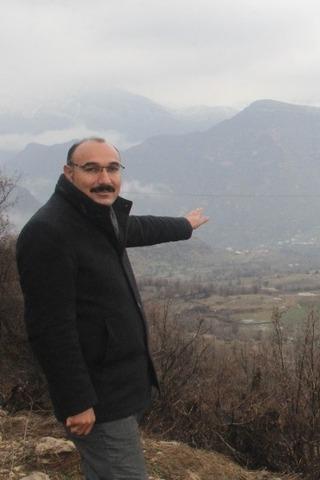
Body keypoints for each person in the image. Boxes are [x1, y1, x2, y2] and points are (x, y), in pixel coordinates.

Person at [16, 137, 209, 479]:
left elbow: (136, 228)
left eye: (112, 168)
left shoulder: (97, 217)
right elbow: (49, 329)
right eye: (91, 169)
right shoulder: (49, 232)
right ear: (68, 172)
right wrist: (76, 402)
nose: (104, 178)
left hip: (123, 385)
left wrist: (184, 226)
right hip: (98, 396)